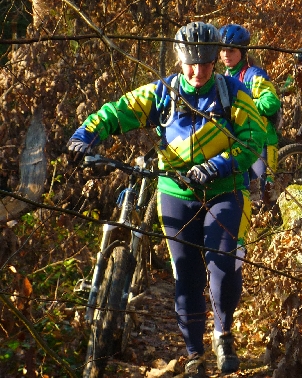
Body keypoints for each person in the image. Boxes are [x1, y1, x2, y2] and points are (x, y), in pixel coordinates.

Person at [67, 21, 268, 377]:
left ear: (215, 60)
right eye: (191, 63)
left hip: (225, 192)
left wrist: (216, 166)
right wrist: (86, 135)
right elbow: (120, 110)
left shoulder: (234, 94)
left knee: (223, 270)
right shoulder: (163, 93)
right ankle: (194, 353)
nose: (198, 71)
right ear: (178, 58)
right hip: (176, 193)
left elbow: (254, 140)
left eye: (206, 63)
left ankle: (223, 332)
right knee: (186, 276)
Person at [219, 24, 282, 204]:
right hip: (240, 142)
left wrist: (245, 105)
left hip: (262, 141)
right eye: (222, 50)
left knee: (262, 197)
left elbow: (271, 102)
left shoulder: (253, 75)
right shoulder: (225, 76)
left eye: (230, 50)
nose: (225, 55)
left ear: (242, 51)